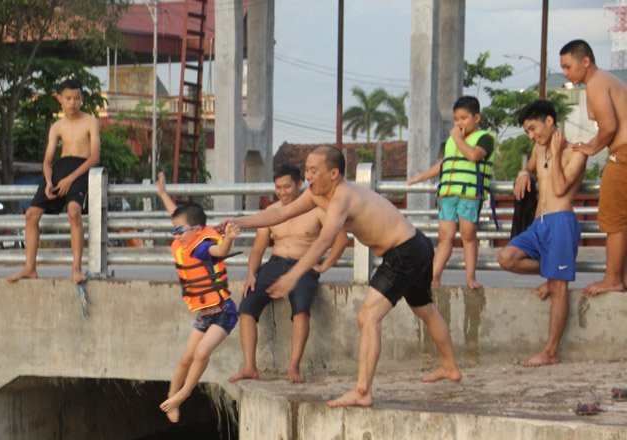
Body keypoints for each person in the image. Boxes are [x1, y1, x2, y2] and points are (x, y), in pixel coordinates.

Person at [227, 145, 461, 408]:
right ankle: (450, 366)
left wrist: (293, 275)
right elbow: (279, 213)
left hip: (404, 252)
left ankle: (363, 391)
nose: (308, 176)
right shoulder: (316, 195)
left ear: (334, 174)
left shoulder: (343, 197)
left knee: (368, 316)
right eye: (307, 170)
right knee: (425, 309)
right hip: (416, 245)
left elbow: (325, 240)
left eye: (314, 171)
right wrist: (240, 222)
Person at [228, 164, 349, 383]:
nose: (282, 192)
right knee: (246, 306)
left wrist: (325, 265)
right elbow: (258, 249)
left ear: (299, 184)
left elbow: (342, 238)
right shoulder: (271, 212)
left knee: (301, 310)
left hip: (304, 265)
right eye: (278, 187)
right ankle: (249, 367)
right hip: (274, 264)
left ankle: (293, 368)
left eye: (287, 186)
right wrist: (251, 274)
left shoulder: (317, 209)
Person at [500, 100, 587, 367]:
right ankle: (552, 273)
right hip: (539, 224)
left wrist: (556, 154)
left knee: (559, 287)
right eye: (527, 130)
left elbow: (560, 188)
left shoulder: (576, 152)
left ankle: (550, 351)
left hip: (561, 221)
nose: (531, 135)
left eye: (533, 128)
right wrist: (523, 173)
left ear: (549, 121)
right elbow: (531, 168)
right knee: (506, 258)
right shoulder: (538, 148)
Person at [156, 173, 240, 422]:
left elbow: (219, 250)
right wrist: (162, 193)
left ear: (197, 230)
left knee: (202, 353)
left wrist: (229, 239)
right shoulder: (187, 235)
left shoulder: (202, 246)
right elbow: (177, 214)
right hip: (204, 314)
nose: (177, 235)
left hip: (224, 312)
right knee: (185, 359)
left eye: (180, 231)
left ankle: (183, 395)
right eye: (175, 230)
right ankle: (171, 401)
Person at [7, 79, 100, 284]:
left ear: (82, 99)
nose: (72, 103)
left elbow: (94, 157)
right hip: (59, 169)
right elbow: (48, 161)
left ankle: (76, 269)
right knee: (31, 214)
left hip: (81, 169)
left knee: (73, 212)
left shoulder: (91, 121)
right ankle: (30, 267)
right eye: (68, 98)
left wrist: (70, 179)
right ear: (60, 99)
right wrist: (49, 181)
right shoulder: (57, 126)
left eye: (77, 98)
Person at [555, 39, 627, 296]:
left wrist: (591, 147)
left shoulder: (596, 82)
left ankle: (613, 279)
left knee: (614, 220)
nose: (565, 73)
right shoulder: (606, 80)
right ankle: (622, 277)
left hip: (623, 154)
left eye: (568, 66)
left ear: (585, 61)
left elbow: (609, 126)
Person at [407, 96, 495, 290]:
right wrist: (419, 178)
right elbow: (444, 165)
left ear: (476, 118)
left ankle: (470, 277)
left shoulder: (485, 138)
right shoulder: (453, 142)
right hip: (448, 195)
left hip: (469, 194)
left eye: (463, 118)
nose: (459, 123)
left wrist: (457, 138)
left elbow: (473, 155)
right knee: (444, 237)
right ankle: (434, 278)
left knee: (468, 235)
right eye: (456, 119)